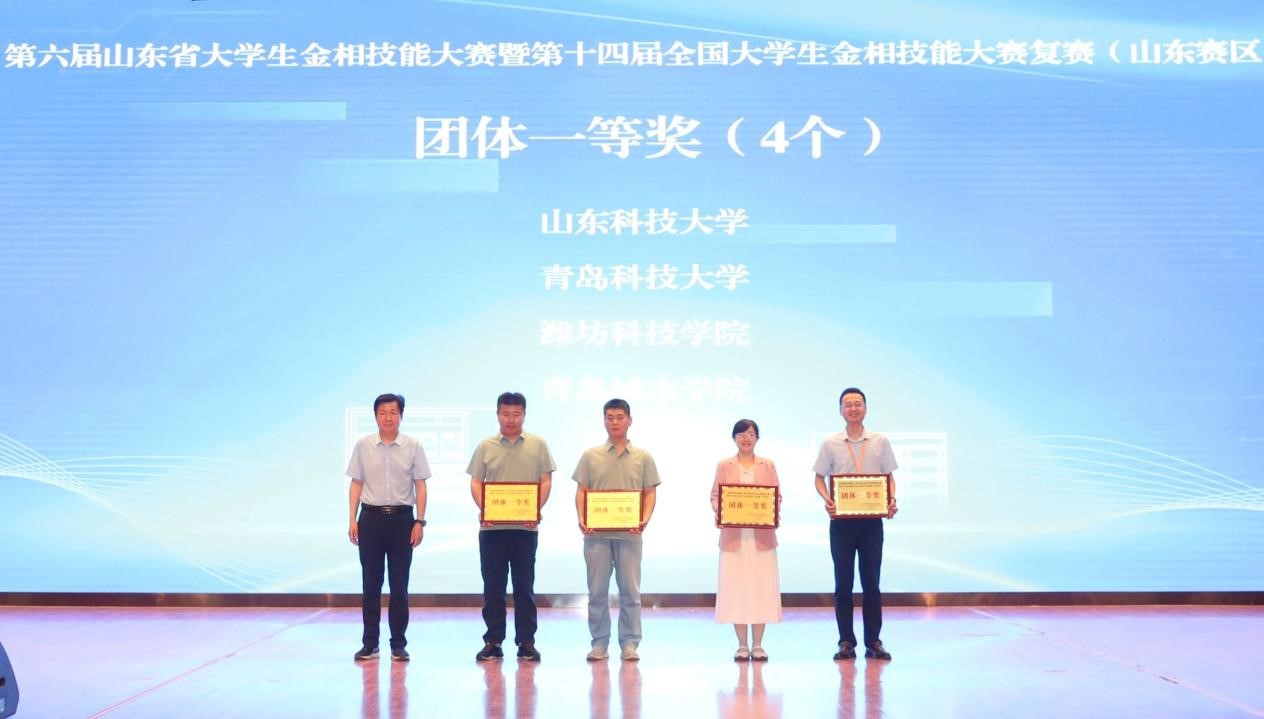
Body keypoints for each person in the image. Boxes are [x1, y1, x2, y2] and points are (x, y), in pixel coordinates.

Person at [468, 392, 556, 662]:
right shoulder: (485, 446)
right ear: (497, 415)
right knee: (493, 588)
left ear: (524, 415)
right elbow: (476, 482)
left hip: (525, 529)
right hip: (492, 530)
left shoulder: (538, 445)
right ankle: (493, 640)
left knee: (524, 587)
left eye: (516, 414)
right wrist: (485, 509)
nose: (511, 419)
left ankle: (526, 642)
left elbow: (545, 480)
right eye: (506, 414)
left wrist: (535, 509)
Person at [812, 387, 899, 661]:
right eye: (848, 404)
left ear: (865, 408)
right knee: (843, 584)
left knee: (872, 583)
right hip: (842, 523)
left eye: (857, 403)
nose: (853, 408)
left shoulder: (880, 441)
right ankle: (846, 642)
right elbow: (818, 478)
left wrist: (891, 500)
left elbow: (888, 477)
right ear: (841, 410)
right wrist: (828, 499)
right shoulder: (830, 443)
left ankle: (874, 641)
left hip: (872, 522)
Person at [573, 398, 662, 662]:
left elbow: (650, 492)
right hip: (596, 536)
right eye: (610, 417)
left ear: (629, 420)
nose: (615, 422)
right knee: (597, 593)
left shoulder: (643, 457)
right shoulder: (590, 456)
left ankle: (630, 643)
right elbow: (582, 491)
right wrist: (582, 517)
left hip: (629, 536)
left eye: (620, 417)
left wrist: (644, 519)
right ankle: (599, 643)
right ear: (604, 421)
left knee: (631, 593)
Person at [347, 393, 431, 662]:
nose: (388, 418)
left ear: (401, 416)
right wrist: (352, 518)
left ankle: (398, 644)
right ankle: (370, 643)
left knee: (399, 584)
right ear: (375, 416)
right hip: (370, 519)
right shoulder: (363, 445)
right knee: (371, 584)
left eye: (393, 412)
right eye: (382, 412)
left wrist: (419, 521)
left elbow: (420, 485)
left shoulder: (413, 446)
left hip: (402, 520)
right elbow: (356, 483)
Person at [710, 419, 782, 661]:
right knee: (736, 590)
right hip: (734, 538)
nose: (746, 438)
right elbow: (715, 496)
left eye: (750, 434)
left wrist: (772, 514)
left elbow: (777, 497)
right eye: (741, 434)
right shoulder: (724, 465)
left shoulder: (767, 465)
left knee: (761, 589)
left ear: (757, 438)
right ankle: (742, 645)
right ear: (734, 438)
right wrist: (722, 511)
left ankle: (758, 645)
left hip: (762, 538)